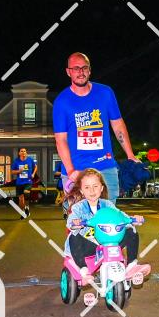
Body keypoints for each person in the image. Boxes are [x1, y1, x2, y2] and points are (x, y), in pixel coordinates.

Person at [53, 52, 140, 206]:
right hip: (76, 171)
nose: (81, 72)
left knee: (108, 215)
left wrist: (130, 154)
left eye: (84, 68)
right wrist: (71, 170)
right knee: (78, 217)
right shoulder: (62, 101)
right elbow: (61, 140)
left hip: (105, 167)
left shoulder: (105, 93)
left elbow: (118, 124)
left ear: (90, 70)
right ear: (68, 72)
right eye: (76, 68)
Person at [64, 168, 150, 283]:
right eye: (87, 187)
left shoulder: (108, 204)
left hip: (109, 241)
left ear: (101, 188)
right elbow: (71, 221)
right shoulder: (79, 207)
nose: (92, 190)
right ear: (82, 191)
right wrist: (75, 222)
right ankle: (84, 271)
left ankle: (131, 266)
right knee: (74, 236)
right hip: (89, 245)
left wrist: (132, 219)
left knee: (131, 231)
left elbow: (120, 216)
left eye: (95, 186)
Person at [10, 147, 37, 217]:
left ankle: (27, 207)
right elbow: (12, 172)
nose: (23, 152)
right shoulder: (16, 161)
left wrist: (33, 174)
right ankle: (24, 211)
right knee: (21, 199)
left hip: (28, 181)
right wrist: (19, 171)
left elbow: (35, 167)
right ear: (19, 153)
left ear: (26, 153)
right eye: (21, 151)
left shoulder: (30, 160)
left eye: (24, 151)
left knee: (26, 193)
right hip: (19, 182)